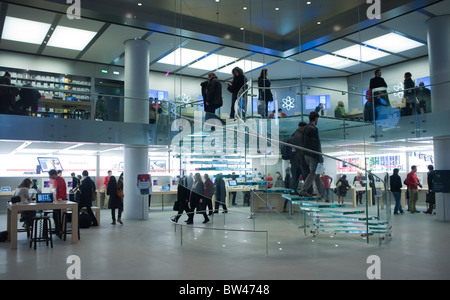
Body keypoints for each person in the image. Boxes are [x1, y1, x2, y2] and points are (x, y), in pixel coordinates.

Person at [298, 111, 326, 200]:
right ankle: (303, 190)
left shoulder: (304, 128)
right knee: (313, 172)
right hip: (313, 155)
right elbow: (317, 144)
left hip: (306, 154)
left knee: (316, 174)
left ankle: (323, 194)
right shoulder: (313, 129)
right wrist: (320, 157)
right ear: (316, 118)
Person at [49, 169, 67, 236]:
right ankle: (57, 229)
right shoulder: (56, 180)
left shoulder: (60, 180)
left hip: (60, 201)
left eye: (50, 175)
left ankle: (59, 230)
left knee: (57, 215)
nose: (49, 177)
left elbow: (62, 189)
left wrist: (60, 198)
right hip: (57, 200)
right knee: (55, 215)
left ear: (54, 175)